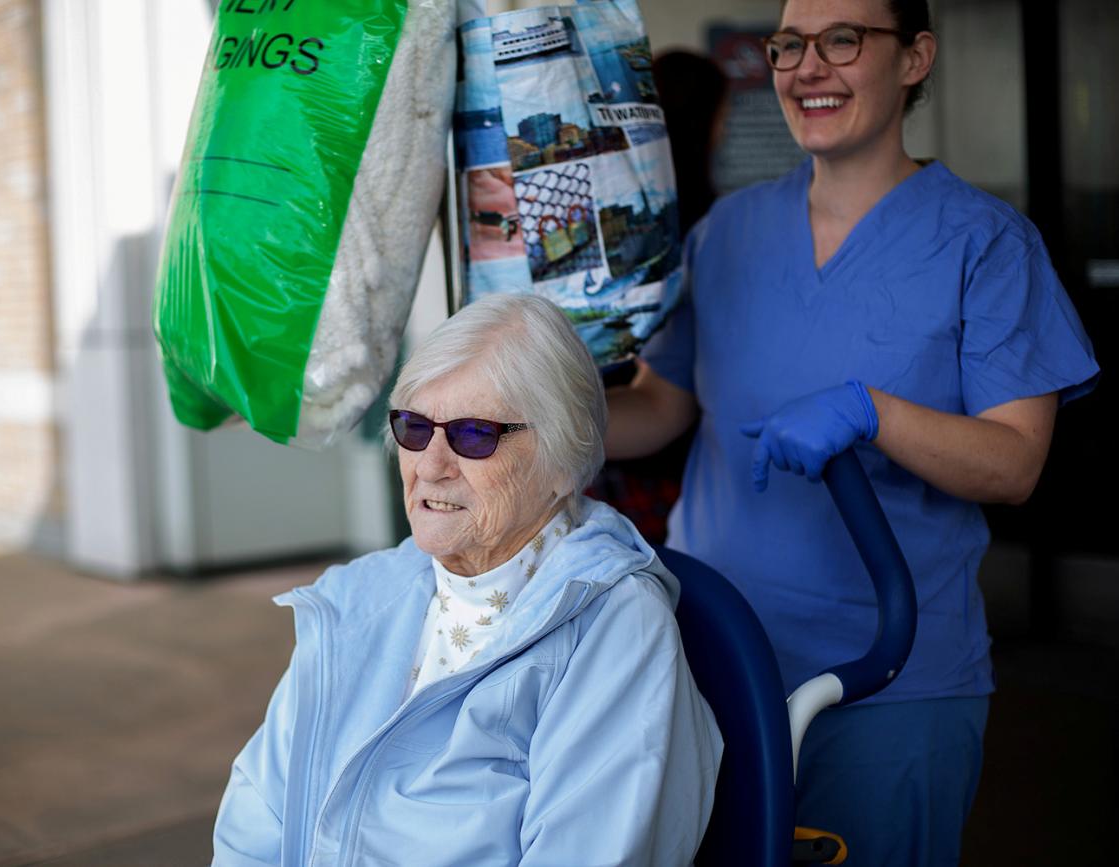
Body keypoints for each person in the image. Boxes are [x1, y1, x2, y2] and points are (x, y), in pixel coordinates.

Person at [605, 1, 1100, 864]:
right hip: (708, 656)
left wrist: (876, 412)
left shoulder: (984, 246)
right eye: (791, 45)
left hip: (887, 681)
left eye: (842, 40)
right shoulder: (726, 235)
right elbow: (663, 405)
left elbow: (1016, 461)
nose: (807, 68)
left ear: (914, 58)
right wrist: (532, 416)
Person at [213, 294, 723, 866]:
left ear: (564, 458)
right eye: (413, 427)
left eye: (474, 435)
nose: (431, 465)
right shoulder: (356, 601)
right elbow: (253, 828)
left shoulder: (614, 628)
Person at [587, 50, 728, 544]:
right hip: (664, 454)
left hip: (606, 434)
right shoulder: (713, 227)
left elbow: (663, 402)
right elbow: (665, 403)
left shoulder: (615, 217)